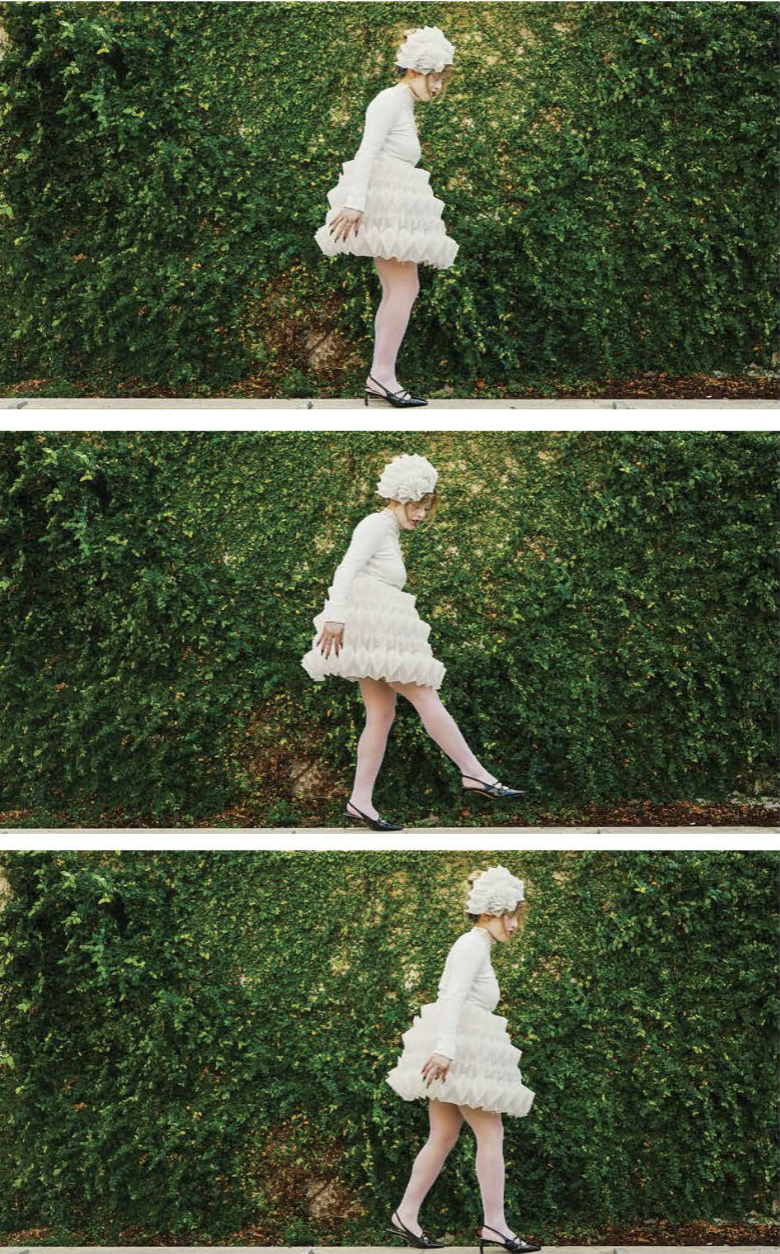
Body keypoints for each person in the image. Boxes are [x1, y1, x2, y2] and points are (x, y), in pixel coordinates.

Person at [300, 455, 526, 831]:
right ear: (400, 498)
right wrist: (335, 616)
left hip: (378, 628)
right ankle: (474, 773)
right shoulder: (375, 524)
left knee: (382, 715)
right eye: (418, 506)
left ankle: (360, 802)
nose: (421, 515)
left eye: (425, 508)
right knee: (424, 694)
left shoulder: (388, 531)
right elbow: (347, 567)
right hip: (373, 628)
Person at [385, 866, 540, 1253]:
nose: (515, 925)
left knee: (443, 1136)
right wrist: (446, 1050)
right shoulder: (471, 945)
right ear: (492, 911)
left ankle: (406, 1213)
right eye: (511, 915)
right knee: (491, 1134)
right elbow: (452, 997)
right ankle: (495, 1226)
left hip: (456, 1049)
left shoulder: (475, 945)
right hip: (459, 1052)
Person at [313, 27, 460, 408]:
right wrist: (356, 203)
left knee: (398, 290)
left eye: (442, 78)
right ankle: (381, 376)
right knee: (405, 290)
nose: (439, 86)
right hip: (383, 202)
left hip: (392, 201)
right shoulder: (389, 100)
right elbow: (367, 152)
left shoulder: (403, 104)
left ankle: (381, 376)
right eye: (435, 77)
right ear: (416, 71)